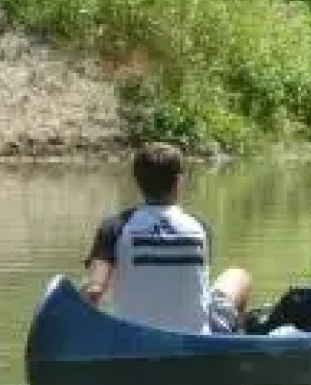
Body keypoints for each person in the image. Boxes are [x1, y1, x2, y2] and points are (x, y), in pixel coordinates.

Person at [82, 142, 253, 334]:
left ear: (137, 182)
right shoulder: (200, 227)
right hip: (196, 338)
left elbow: (94, 291)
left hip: (132, 337)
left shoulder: (114, 227)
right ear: (179, 181)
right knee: (239, 276)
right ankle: (236, 339)